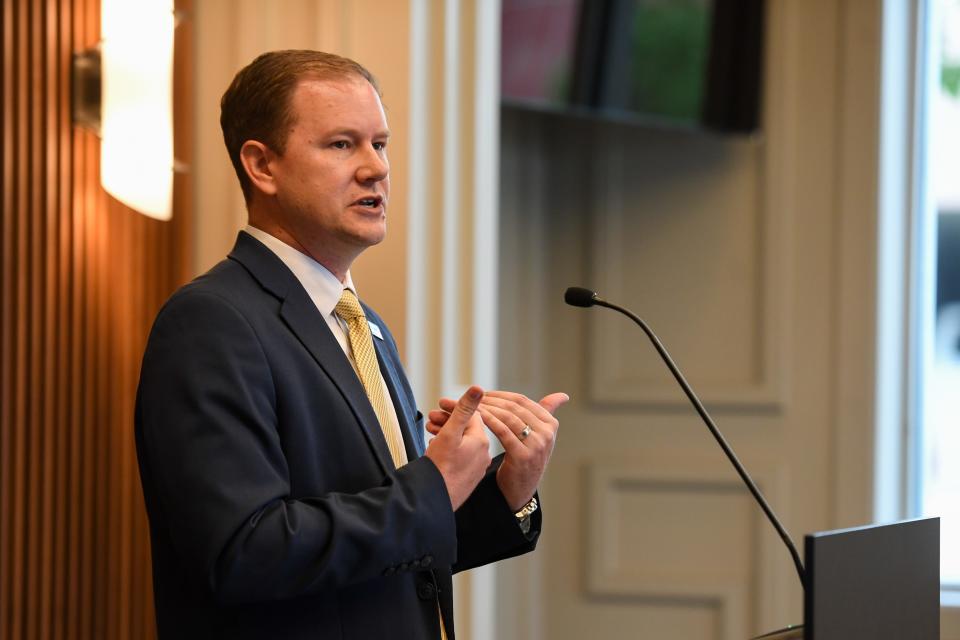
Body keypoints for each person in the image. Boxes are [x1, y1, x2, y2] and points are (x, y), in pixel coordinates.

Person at [134, 49, 568, 639]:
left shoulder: (363, 324)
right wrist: (433, 485)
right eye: (342, 145)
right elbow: (244, 552)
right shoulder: (211, 322)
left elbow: (396, 556)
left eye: (380, 144)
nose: (376, 169)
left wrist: (502, 495)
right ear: (263, 166)